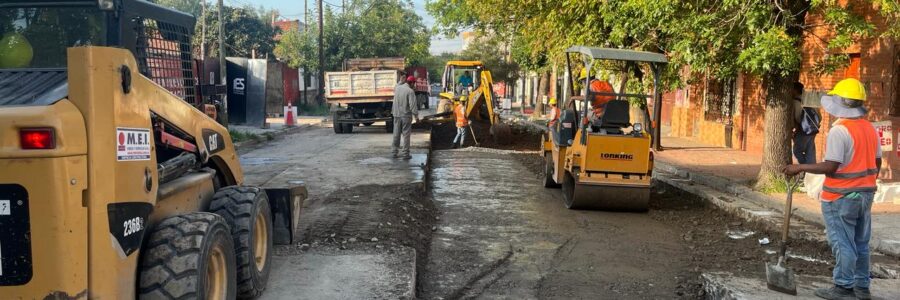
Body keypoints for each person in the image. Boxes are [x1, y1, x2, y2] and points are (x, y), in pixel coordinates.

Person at [783, 78, 879, 300]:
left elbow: (831, 166)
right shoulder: (869, 128)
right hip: (865, 194)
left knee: (842, 242)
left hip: (841, 197)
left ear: (840, 103)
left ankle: (844, 287)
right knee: (860, 243)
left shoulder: (840, 131)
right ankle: (861, 288)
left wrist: (799, 167)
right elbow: (877, 163)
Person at [391, 75, 419, 159]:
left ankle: (394, 152)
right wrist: (416, 117)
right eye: (414, 84)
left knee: (396, 134)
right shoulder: (410, 91)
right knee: (406, 135)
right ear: (412, 83)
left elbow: (396, 86)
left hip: (396, 115)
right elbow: (413, 106)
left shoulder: (397, 88)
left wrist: (400, 81)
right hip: (406, 116)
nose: (414, 86)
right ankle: (405, 154)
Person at [793, 82, 820, 164]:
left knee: (797, 151)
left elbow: (797, 117)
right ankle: (811, 171)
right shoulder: (810, 100)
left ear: (795, 90)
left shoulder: (795, 102)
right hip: (813, 128)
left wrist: (795, 128)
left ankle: (806, 168)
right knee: (810, 151)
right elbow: (819, 116)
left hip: (803, 130)